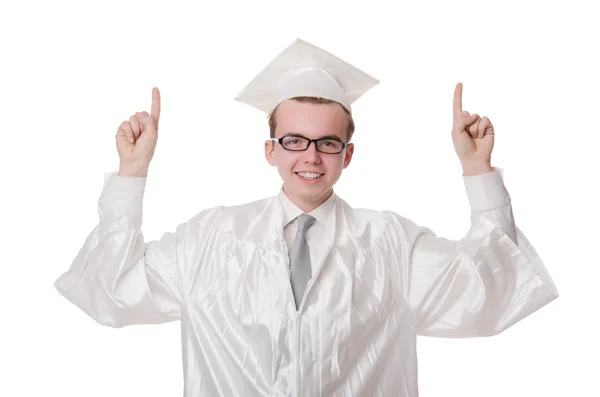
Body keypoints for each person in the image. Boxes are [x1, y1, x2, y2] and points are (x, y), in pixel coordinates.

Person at [54, 38, 558, 396]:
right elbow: (112, 289)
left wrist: (477, 169)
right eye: (294, 140)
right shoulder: (210, 239)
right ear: (270, 150)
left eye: (327, 143)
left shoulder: (388, 243)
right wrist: (132, 173)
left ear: (348, 154)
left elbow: (490, 289)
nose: (310, 157)